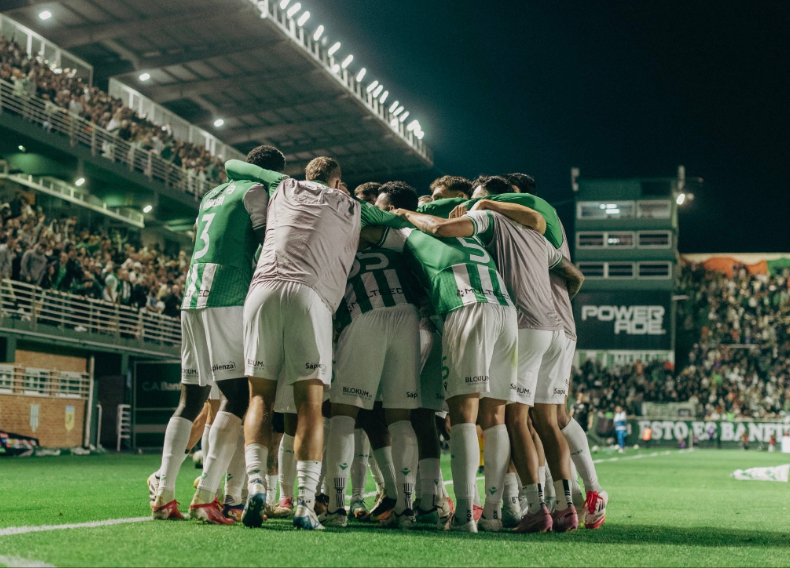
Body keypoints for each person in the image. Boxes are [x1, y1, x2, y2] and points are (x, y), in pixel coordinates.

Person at [242, 157, 400, 530]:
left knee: (260, 398)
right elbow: (397, 219)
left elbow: (237, 165)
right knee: (310, 404)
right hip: (309, 295)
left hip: (261, 289)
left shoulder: (283, 186)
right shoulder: (352, 206)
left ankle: (256, 489)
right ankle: (304, 504)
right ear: (337, 180)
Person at [363, 182, 517, 533]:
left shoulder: (408, 229)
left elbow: (369, 228)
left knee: (463, 415)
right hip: (504, 309)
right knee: (494, 415)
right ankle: (491, 513)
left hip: (465, 303)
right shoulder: (464, 225)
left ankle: (465, 514)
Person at [150, 145, 287, 524]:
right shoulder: (255, 192)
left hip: (192, 296)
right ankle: (207, 496)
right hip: (227, 294)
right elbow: (266, 243)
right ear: (270, 172)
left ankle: (164, 494)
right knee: (241, 395)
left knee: (191, 397)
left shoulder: (211, 193)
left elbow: (199, 235)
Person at [322, 182, 423, 529]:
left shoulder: (341, 235)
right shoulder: (400, 235)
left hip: (364, 313)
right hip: (407, 314)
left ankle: (336, 508)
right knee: (401, 415)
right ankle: (406, 509)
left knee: (344, 413)